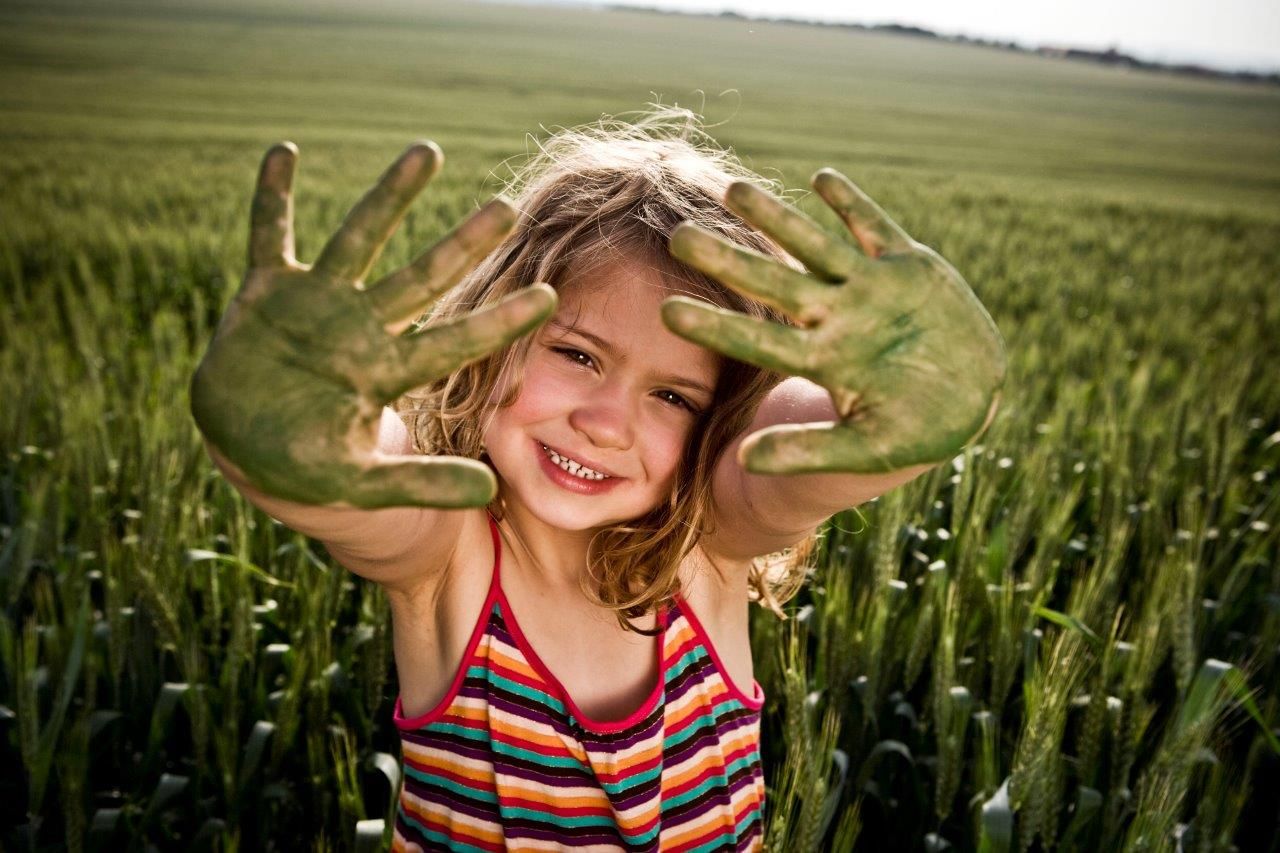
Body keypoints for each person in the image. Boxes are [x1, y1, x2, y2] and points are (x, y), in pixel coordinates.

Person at [190, 107, 1005, 851]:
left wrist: (899, 406)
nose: (607, 422)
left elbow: (793, 452)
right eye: (577, 354)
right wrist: (292, 430)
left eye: (673, 396)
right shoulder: (450, 558)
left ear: (719, 420)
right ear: (492, 330)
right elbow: (364, 483)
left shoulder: (709, 549)